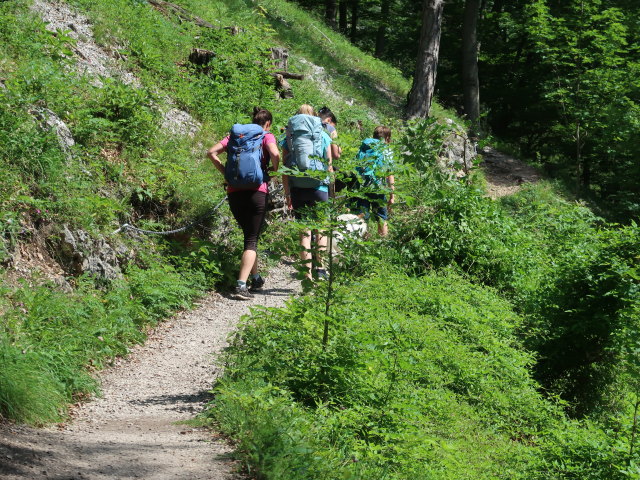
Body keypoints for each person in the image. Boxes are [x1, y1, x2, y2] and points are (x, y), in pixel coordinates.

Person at [207, 107, 280, 300]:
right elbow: (275, 154)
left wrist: (226, 174)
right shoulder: (266, 135)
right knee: (251, 239)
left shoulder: (237, 136)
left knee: (249, 236)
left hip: (234, 192)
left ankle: (255, 277)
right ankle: (241, 285)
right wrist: (273, 171)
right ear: (268, 123)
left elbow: (211, 152)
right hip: (257, 191)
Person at [281, 104, 333, 281]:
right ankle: (321, 268)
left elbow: (285, 169)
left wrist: (287, 194)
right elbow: (330, 165)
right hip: (320, 188)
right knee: (321, 228)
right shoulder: (323, 135)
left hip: (298, 189)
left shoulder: (289, 137)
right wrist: (330, 191)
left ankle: (307, 274)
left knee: (304, 231)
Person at [354, 126, 395, 237]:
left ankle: (359, 243)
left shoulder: (365, 146)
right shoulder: (386, 150)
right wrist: (392, 196)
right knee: (382, 217)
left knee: (362, 216)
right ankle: (382, 244)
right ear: (387, 138)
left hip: (363, 186)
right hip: (378, 188)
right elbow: (389, 174)